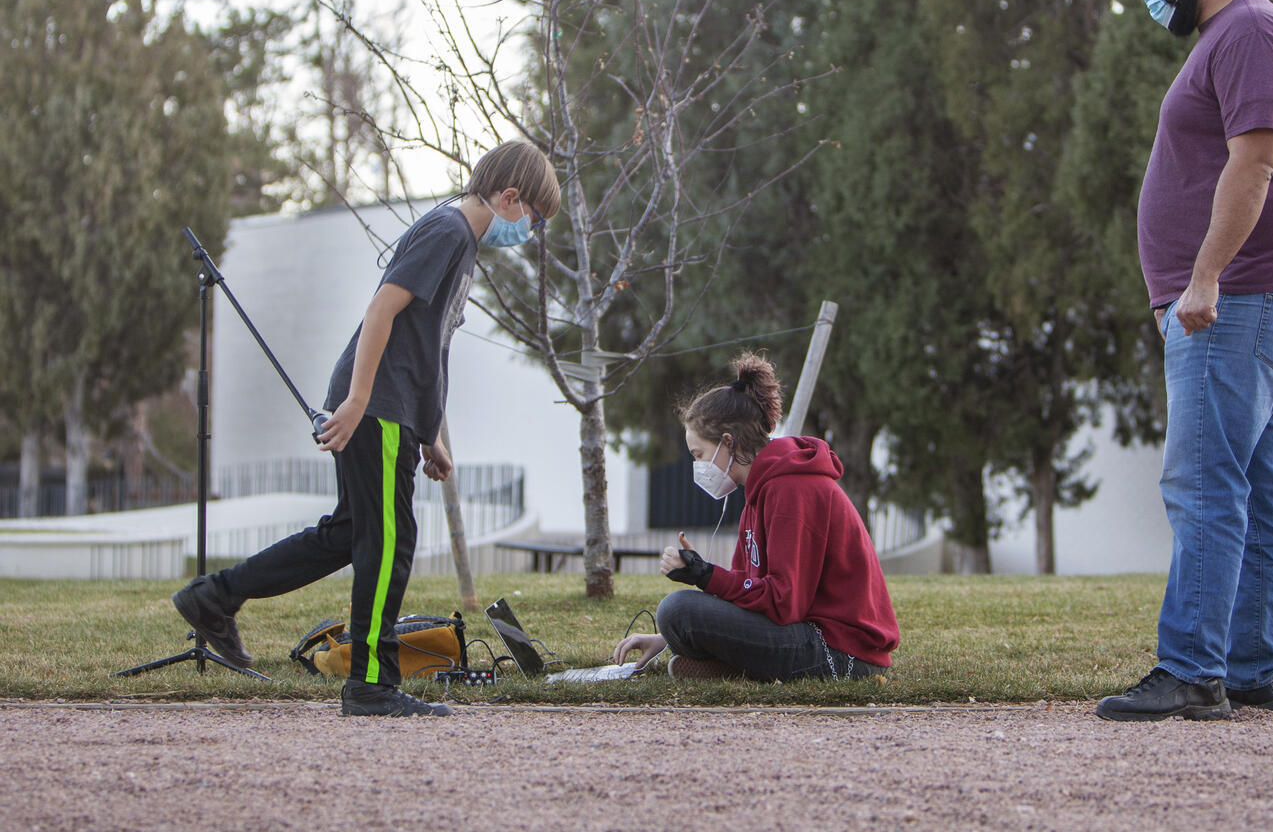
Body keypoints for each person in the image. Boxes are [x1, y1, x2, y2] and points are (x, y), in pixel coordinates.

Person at [171, 141, 561, 718]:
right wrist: (355, 402)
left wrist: (431, 434)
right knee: (388, 543)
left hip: (394, 408)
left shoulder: (460, 243)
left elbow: (430, 348)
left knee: (346, 534)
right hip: (375, 405)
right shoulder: (449, 231)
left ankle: (214, 597)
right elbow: (381, 310)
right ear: (510, 198)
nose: (529, 230)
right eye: (534, 218)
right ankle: (370, 683)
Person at [1096, 0, 1273, 722]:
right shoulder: (1228, 39)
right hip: (1256, 294)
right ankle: (1249, 668)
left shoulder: (1251, 34)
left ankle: (1194, 670)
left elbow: (1255, 165)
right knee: (1254, 483)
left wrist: (1202, 279)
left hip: (1241, 296)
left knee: (1203, 483)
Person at [612, 352, 899, 682]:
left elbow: (783, 603)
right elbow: (744, 594)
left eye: (699, 454)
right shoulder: (759, 493)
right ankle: (733, 668)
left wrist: (705, 575)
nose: (698, 466)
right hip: (809, 636)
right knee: (676, 618)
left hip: (843, 652)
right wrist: (665, 640)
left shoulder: (791, 489)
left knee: (677, 610)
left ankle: (735, 668)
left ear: (727, 442)